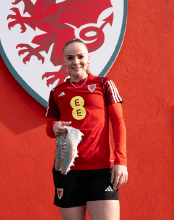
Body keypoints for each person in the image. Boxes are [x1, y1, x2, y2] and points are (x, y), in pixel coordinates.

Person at [46, 38, 128, 220]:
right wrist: (55, 127)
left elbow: (118, 122)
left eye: (80, 56)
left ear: (88, 58)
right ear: (64, 62)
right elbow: (49, 128)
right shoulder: (57, 92)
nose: (76, 62)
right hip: (67, 171)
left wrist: (120, 160)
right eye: (70, 58)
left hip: (101, 170)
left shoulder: (104, 84)